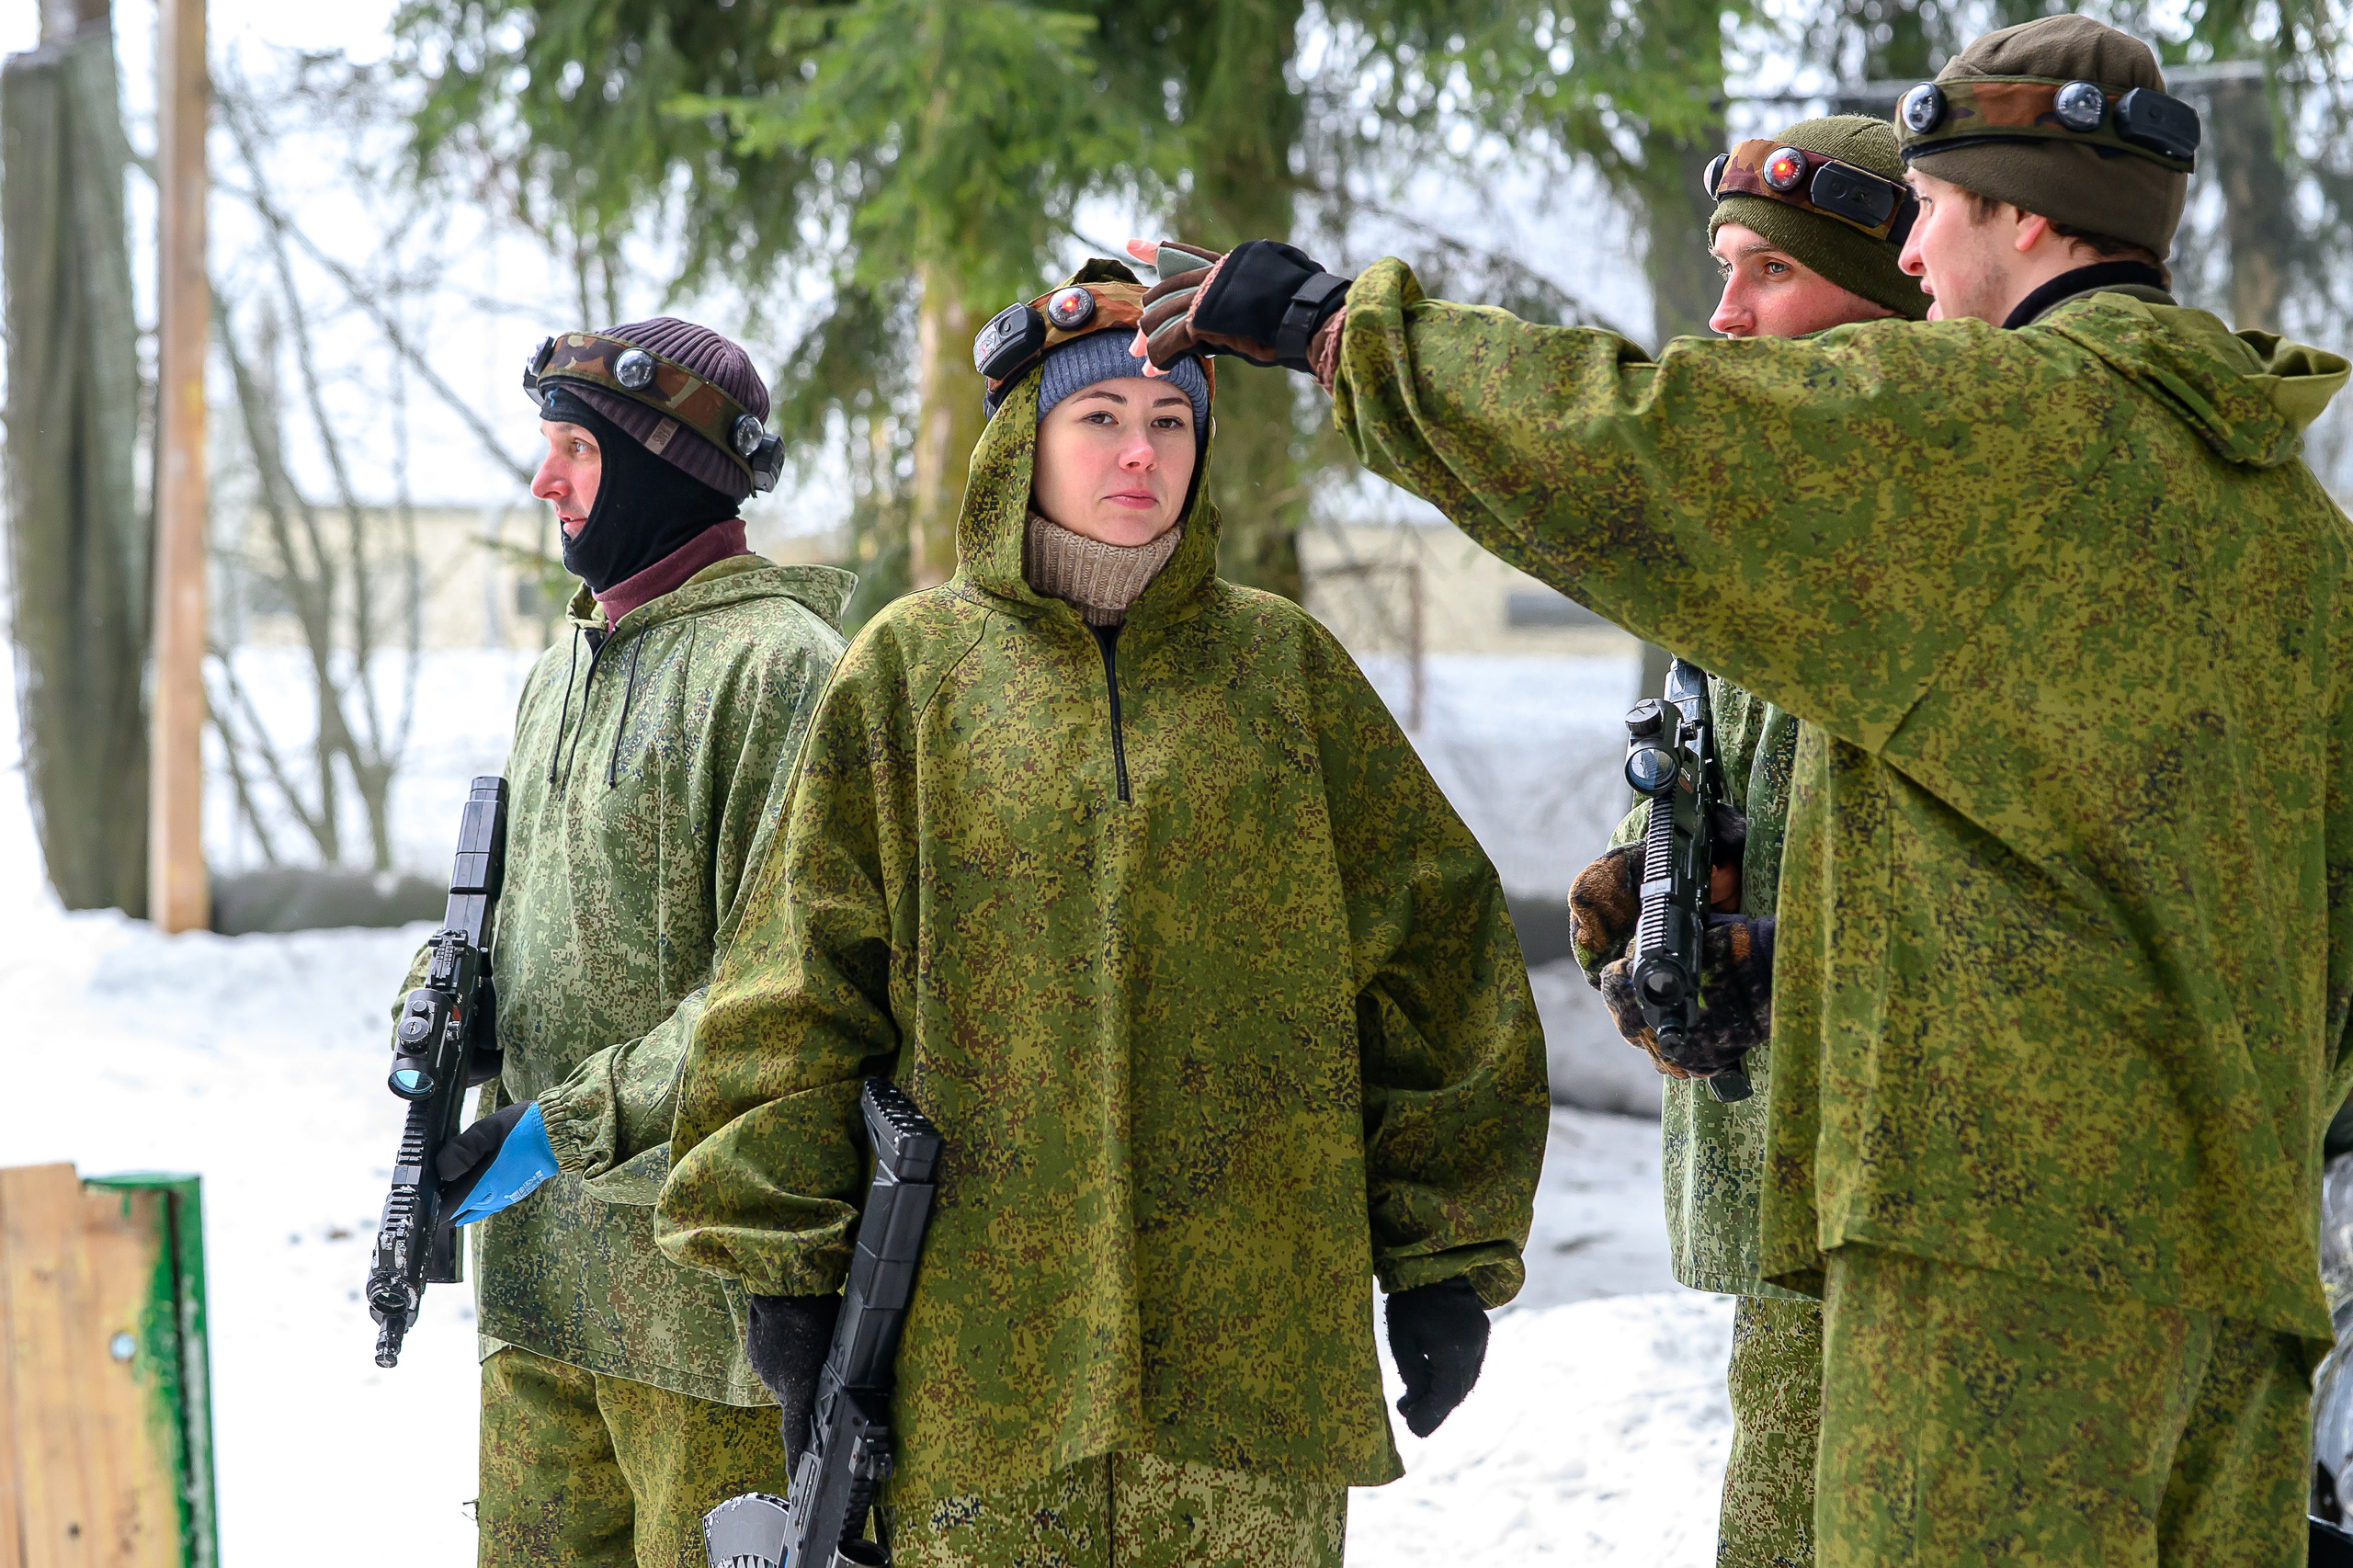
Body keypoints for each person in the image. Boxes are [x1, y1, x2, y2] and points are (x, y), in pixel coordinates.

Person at [1129, 14, 2353, 1564]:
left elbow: (1646, 444)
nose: (1914, 261)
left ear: (2030, 218)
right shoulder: (2293, 527)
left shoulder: (1996, 432)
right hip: (2239, 1289)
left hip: (1997, 1272)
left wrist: (1333, 331)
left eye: (1940, 214)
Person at [653, 260, 1550, 1568]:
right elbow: (797, 985)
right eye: (1101, 419)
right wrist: (788, 1283)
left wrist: (1446, 1255)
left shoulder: (1284, 673)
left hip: (1254, 1391)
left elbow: (1440, 961)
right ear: (1028, 442)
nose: (1140, 452)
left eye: (1170, 421)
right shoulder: (911, 674)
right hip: (981, 1387)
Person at [389, 317, 855, 1565]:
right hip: (540, 1301)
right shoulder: (564, 668)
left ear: (664, 466)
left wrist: (554, 1130)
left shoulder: (784, 673)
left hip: (703, 1328)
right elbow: (522, 918)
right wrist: (438, 1007)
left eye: (573, 453)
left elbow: (784, 1001)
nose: (546, 482)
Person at [1565, 114, 1927, 1568]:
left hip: (1904, 1215)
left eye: (1766, 272)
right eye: (1724, 271)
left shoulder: (1937, 528)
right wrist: (1642, 899)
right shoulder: (1770, 531)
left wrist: (1814, 957)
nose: (1725, 318)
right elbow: (1721, 779)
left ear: (1888, 284)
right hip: (1783, 1211)